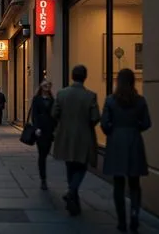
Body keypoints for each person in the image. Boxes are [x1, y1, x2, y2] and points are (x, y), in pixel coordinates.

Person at [101, 69, 151, 232]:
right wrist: (134, 128)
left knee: (118, 184)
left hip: (116, 142)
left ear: (118, 82)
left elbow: (104, 124)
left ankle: (122, 221)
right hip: (134, 141)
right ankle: (134, 216)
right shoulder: (140, 100)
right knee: (135, 184)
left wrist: (112, 131)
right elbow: (146, 123)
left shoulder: (110, 100)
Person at [52, 65, 100, 216]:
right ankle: (72, 192)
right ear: (85, 77)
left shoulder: (62, 94)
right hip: (83, 136)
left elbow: (54, 113)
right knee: (82, 165)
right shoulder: (90, 96)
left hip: (66, 136)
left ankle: (73, 197)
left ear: (72, 76)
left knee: (70, 164)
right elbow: (95, 117)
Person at [32, 79, 56, 191]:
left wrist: (55, 129)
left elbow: (55, 115)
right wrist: (36, 127)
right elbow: (34, 115)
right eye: (45, 85)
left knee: (45, 153)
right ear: (41, 86)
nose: (47, 86)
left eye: (49, 85)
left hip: (49, 130)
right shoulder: (36, 99)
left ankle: (43, 176)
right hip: (40, 130)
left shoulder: (52, 100)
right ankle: (43, 179)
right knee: (42, 155)